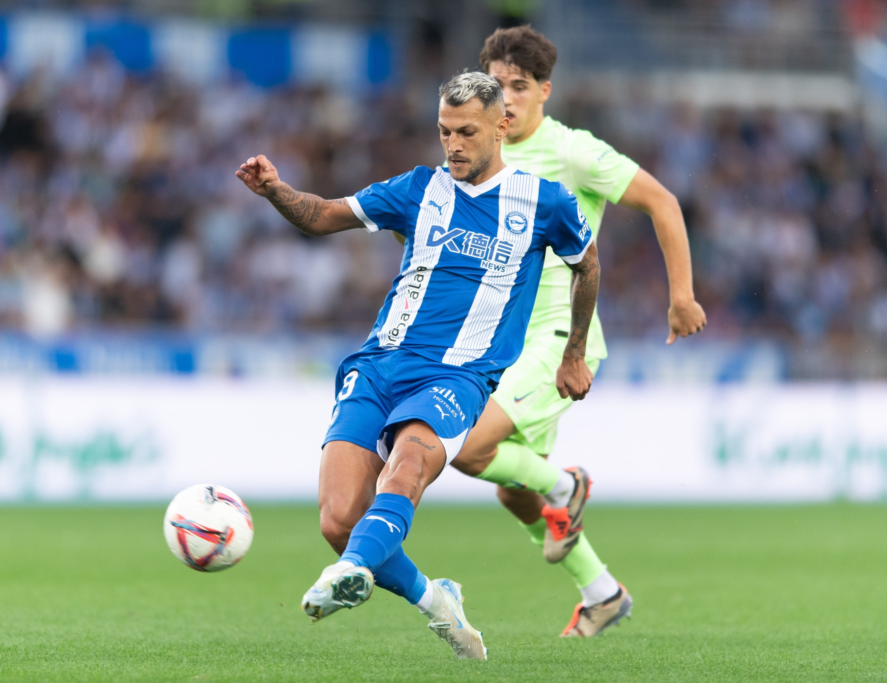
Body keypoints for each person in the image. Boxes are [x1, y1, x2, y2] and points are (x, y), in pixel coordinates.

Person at [236, 72, 601, 659]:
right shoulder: (418, 189)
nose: (452, 145)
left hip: (458, 375)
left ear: (502, 126)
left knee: (405, 469)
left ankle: (348, 572)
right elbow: (325, 215)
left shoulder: (544, 201)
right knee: (338, 521)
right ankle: (436, 600)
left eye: (466, 132)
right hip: (379, 363)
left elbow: (587, 264)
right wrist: (276, 191)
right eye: (443, 132)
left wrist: (574, 351)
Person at [446, 26, 708, 637]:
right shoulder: (478, 153)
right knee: (513, 491)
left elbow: (664, 202)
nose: (504, 98)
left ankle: (569, 485)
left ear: (544, 91)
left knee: (465, 445)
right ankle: (602, 592)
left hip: (561, 340)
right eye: (495, 85)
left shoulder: (573, 152)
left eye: (518, 86)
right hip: (501, 343)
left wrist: (681, 297)